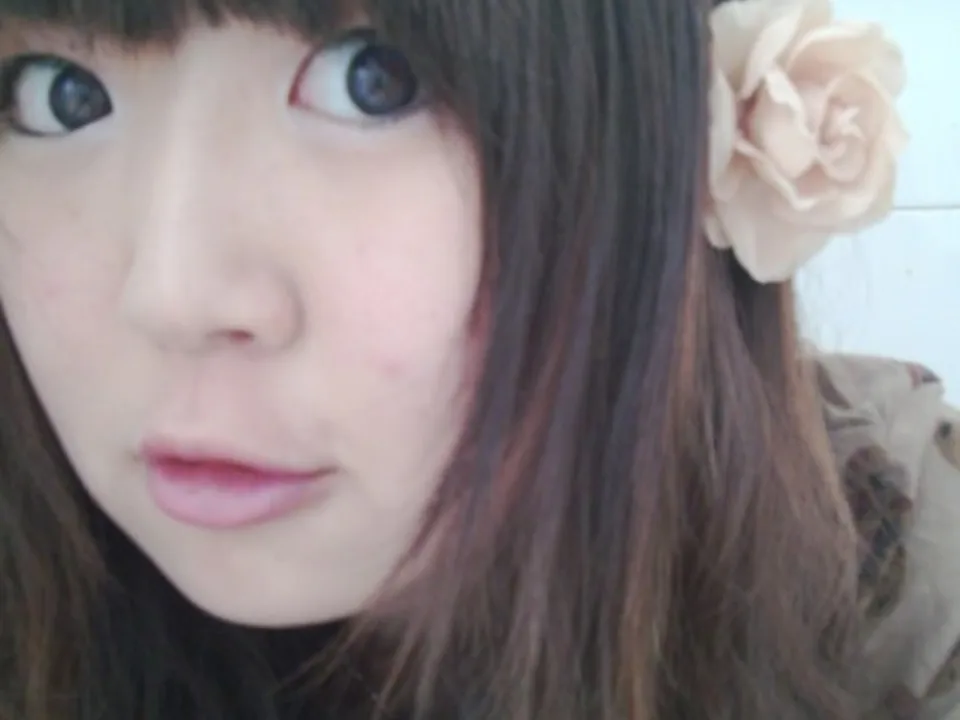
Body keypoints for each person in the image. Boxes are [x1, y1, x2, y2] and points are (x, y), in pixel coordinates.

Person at [0, 0, 954, 717]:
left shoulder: (904, 560)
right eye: (58, 97)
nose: (170, 297)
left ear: (668, 145)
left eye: (373, 80)